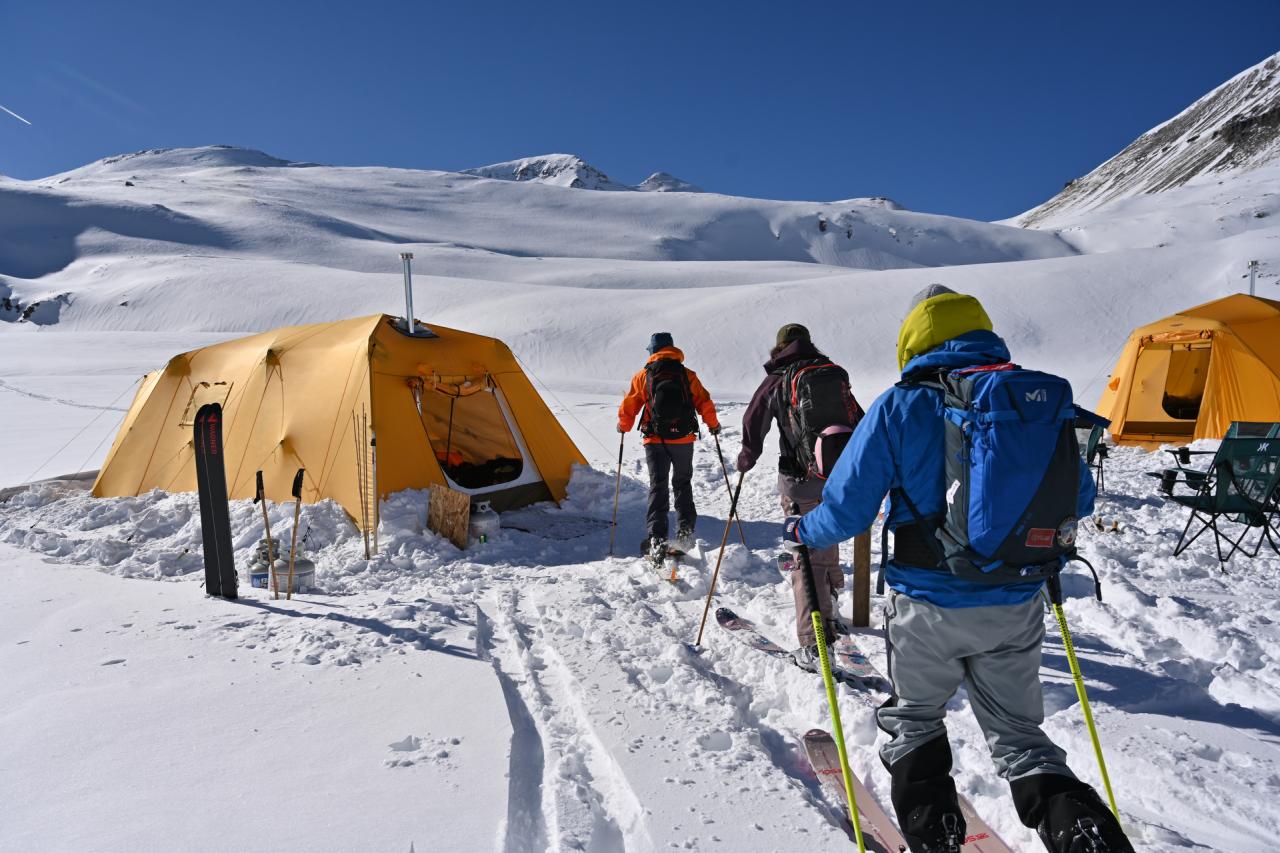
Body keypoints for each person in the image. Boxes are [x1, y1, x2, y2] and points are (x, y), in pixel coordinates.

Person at [785, 286, 1133, 853]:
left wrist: (803, 532)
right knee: (1023, 741)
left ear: (914, 340)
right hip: (1017, 600)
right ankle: (1083, 835)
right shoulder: (1033, 402)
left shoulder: (901, 404)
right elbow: (1082, 499)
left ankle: (936, 839)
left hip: (928, 605)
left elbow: (847, 510)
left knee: (916, 723)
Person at [737, 323, 863, 670]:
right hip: (837, 480)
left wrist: (746, 458)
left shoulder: (779, 379)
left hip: (800, 481)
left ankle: (813, 643)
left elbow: (753, 422)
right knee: (828, 541)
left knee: (804, 559)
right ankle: (831, 608)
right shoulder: (831, 374)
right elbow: (859, 419)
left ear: (780, 348)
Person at [618, 332, 721, 559]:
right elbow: (704, 401)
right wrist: (713, 425)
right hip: (684, 439)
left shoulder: (642, 376)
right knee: (683, 483)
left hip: (655, 440)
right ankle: (685, 532)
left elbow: (630, 404)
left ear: (653, 351)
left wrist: (623, 426)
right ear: (672, 348)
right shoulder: (687, 374)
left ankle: (657, 538)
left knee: (658, 486)